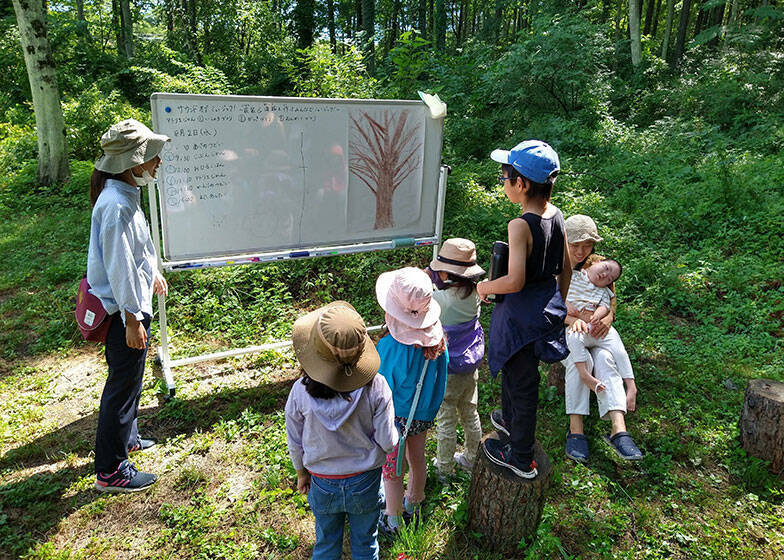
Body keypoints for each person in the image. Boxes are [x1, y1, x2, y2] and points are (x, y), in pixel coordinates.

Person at [476, 140, 571, 479]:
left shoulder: (520, 226)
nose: (503, 182)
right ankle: (509, 419)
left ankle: (520, 455)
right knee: (518, 374)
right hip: (541, 312)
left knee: (522, 383)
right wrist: (554, 304)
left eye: (505, 176)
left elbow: (514, 281)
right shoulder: (557, 216)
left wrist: (484, 287)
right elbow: (567, 268)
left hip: (518, 318)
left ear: (522, 183)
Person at [88, 119, 170, 492]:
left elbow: (134, 253)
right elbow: (119, 267)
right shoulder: (116, 204)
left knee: (131, 380)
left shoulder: (123, 195)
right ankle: (110, 469)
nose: (157, 162)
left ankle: (128, 437)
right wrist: (133, 318)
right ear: (134, 163)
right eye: (152, 156)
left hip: (130, 308)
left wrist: (151, 271)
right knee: (121, 386)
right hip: (125, 314)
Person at [285, 302, 397, 560]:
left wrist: (301, 472)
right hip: (365, 480)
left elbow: (294, 438)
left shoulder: (300, 391)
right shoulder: (376, 386)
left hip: (322, 482)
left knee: (325, 544)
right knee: (366, 544)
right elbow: (388, 441)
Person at [562, 215, 642, 462]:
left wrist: (605, 320)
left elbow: (610, 302)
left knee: (606, 357)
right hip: (566, 332)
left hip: (596, 331)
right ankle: (576, 430)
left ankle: (619, 429)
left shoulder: (598, 265)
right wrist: (572, 320)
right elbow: (547, 305)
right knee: (581, 363)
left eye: (586, 246)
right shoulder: (557, 266)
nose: (580, 251)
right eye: (574, 245)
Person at [375, 267, 449, 534]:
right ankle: (414, 503)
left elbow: (381, 387)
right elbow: (441, 379)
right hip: (424, 414)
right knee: (418, 458)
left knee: (392, 468)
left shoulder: (390, 348)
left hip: (396, 416)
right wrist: (430, 408)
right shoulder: (438, 344)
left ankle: (392, 519)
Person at [425, 238, 485, 478]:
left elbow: (425, 298)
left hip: (448, 370)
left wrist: (427, 277)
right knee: (470, 412)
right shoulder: (475, 295)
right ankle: (471, 457)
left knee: (446, 418)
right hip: (469, 366)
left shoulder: (442, 301)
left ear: (447, 274)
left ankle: (444, 468)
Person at [565, 256, 634, 393]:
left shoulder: (603, 291)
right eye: (605, 268)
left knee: (618, 348)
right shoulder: (573, 276)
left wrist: (597, 315)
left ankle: (631, 385)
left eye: (609, 279)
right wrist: (565, 304)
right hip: (576, 324)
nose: (604, 275)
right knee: (574, 337)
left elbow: (605, 307)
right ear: (596, 262)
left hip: (593, 325)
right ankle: (585, 375)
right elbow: (556, 292)